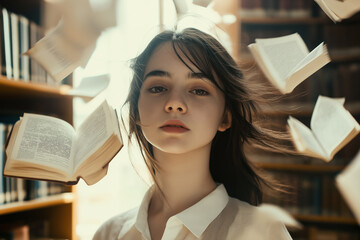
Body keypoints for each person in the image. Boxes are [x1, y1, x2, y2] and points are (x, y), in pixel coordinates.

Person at [93, 27, 296, 240]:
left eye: (199, 90)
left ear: (225, 117)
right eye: (158, 88)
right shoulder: (109, 233)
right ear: (136, 110)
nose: (174, 104)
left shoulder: (264, 233)